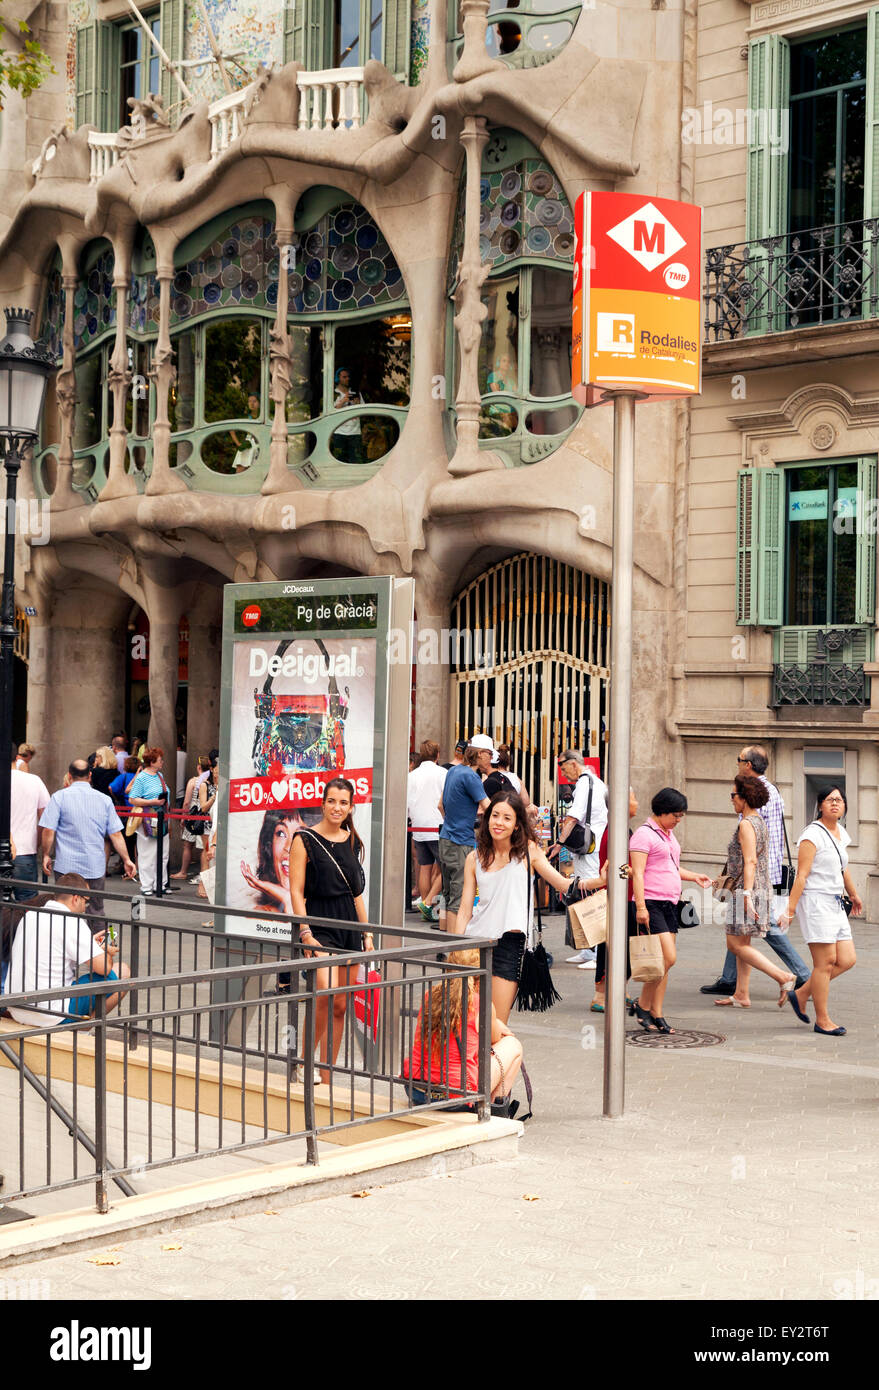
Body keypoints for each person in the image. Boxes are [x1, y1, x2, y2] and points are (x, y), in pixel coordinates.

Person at [701, 745, 810, 996]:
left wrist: (746, 890)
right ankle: (731, 981)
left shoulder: (753, 799)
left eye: (739, 759)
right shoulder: (772, 790)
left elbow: (750, 847)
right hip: (761, 871)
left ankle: (800, 974)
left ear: (748, 765)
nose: (737, 763)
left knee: (764, 926)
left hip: (755, 875)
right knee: (738, 927)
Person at [457, 790, 574, 1021]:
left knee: (496, 1024)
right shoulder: (474, 858)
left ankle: (504, 1057)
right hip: (473, 944)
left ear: (517, 825)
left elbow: (563, 885)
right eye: (495, 815)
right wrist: (456, 950)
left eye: (507, 818)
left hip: (509, 945)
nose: (499, 822)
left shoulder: (529, 852)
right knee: (469, 1022)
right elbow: (464, 911)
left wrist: (601, 881)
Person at [288, 777, 374, 1082]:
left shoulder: (351, 840)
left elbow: (356, 894)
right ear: (323, 803)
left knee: (340, 1003)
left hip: (349, 925)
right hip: (319, 923)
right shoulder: (304, 839)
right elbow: (296, 891)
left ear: (351, 807)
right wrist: (305, 932)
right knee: (324, 990)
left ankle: (326, 1074)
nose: (337, 807)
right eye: (332, 801)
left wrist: (367, 933)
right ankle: (304, 1062)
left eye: (343, 802)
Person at [778, 785, 862, 1036]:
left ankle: (801, 994)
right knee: (824, 963)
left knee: (847, 959)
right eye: (829, 800)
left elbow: (842, 867)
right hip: (815, 902)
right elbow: (801, 876)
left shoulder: (841, 833)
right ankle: (822, 1020)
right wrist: (790, 910)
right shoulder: (811, 835)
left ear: (844, 806)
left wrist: (854, 894)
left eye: (839, 800)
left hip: (835, 902)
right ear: (820, 805)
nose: (835, 803)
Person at [714, 773, 802, 1011]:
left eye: (733, 795)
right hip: (758, 888)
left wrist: (745, 895)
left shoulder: (746, 824)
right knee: (743, 941)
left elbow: (750, 861)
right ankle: (742, 994)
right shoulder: (759, 822)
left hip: (747, 889)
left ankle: (783, 977)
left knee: (735, 944)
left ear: (744, 797)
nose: (731, 799)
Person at [629, 787, 713, 1034]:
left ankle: (657, 1012)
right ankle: (642, 1004)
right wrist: (641, 906)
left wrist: (694, 876)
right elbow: (639, 873)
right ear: (662, 811)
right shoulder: (644, 835)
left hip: (670, 903)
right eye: (675, 815)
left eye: (680, 816)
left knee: (664, 961)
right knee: (668, 957)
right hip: (651, 903)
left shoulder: (667, 834)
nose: (678, 820)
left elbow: (671, 867)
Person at [403, 948, 524, 1111]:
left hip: (416, 1090)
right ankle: (494, 1108)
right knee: (513, 1045)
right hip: (456, 1093)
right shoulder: (481, 1003)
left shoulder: (430, 994)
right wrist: (496, 1022)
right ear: (480, 973)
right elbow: (494, 1040)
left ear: (448, 966)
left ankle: (488, 1106)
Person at [5, 873, 130, 1027]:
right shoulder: (71, 921)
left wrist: (90, 945)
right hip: (51, 1013)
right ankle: (84, 1027)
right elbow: (104, 968)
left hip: (17, 1008)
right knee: (122, 972)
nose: (86, 908)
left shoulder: (31, 916)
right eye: (86, 902)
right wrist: (105, 953)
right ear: (76, 898)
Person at [40, 760, 136, 925]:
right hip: (94, 866)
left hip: (66, 867)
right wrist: (127, 859)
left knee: (65, 911)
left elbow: (48, 830)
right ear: (90, 775)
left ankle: (67, 948)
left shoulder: (59, 797)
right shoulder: (104, 800)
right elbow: (116, 834)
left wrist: (46, 855)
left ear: (69, 776)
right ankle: (97, 948)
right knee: (96, 911)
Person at [552, 750, 608, 968]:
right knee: (583, 893)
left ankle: (595, 952)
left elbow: (573, 817)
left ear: (573, 763)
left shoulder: (585, 783)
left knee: (590, 896)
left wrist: (559, 842)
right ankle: (588, 949)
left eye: (563, 766)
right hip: (592, 845)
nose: (563, 772)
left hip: (589, 846)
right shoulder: (596, 781)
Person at [588, 787, 639, 1009]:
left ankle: (619, 989)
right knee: (610, 946)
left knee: (622, 946)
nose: (636, 802)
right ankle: (600, 995)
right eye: (633, 798)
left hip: (624, 896)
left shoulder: (621, 829)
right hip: (617, 898)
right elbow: (617, 869)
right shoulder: (616, 833)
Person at [437, 745, 489, 934]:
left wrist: (453, 821)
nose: (490, 760)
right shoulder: (471, 777)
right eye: (489, 754)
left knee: (448, 893)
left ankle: (445, 946)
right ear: (480, 755)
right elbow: (489, 807)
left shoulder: (453, 771)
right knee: (459, 898)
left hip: (445, 838)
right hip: (461, 841)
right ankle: (454, 950)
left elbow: (440, 805)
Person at [407, 738, 447, 922]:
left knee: (424, 867)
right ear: (437, 755)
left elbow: (407, 801)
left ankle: (425, 904)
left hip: (417, 824)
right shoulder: (442, 773)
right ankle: (429, 902)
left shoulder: (412, 775)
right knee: (445, 868)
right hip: (437, 824)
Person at [126, 748, 172, 896]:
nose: (162, 762)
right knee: (147, 853)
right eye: (160, 760)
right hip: (148, 816)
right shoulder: (142, 778)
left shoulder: (160, 775)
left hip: (162, 815)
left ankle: (161, 883)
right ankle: (147, 884)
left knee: (163, 853)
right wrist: (152, 801)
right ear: (152, 762)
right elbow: (132, 798)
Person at [10, 762, 50, 901]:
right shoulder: (34, 780)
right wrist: (38, 843)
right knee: (27, 902)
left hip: (15, 849)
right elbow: (46, 819)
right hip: (25, 849)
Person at [172, 755, 212, 881]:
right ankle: (203, 873)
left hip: (193, 816)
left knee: (188, 845)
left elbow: (186, 802)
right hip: (205, 816)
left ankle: (183, 871)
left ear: (198, 767)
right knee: (204, 847)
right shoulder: (210, 780)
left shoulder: (193, 781)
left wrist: (184, 817)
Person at [333, 368, 366, 463]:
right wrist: (342, 401)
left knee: (356, 462)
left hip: (355, 432)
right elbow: (329, 414)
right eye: (344, 377)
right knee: (339, 462)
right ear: (337, 378)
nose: (347, 379)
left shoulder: (356, 393)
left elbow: (364, 411)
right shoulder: (333, 394)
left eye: (348, 377)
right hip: (338, 432)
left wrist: (357, 404)